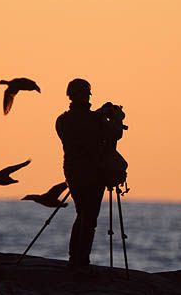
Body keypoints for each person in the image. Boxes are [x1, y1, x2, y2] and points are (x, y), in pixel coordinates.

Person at [55, 78, 121, 272]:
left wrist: (99, 115)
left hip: (73, 173)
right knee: (89, 217)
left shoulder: (63, 120)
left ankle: (75, 258)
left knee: (82, 213)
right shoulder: (94, 121)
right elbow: (114, 134)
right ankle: (80, 261)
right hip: (93, 174)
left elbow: (83, 125)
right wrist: (116, 118)